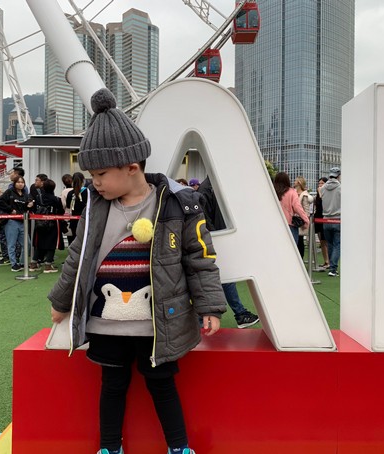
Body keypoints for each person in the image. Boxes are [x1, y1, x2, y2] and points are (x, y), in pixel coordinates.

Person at [48, 88, 226, 454]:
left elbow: (199, 258)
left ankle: (179, 447)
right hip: (106, 323)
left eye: (100, 173)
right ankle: (109, 447)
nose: (95, 182)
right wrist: (61, 300)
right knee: (112, 386)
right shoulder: (95, 208)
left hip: (157, 324)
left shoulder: (178, 204)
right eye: (91, 174)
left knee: (162, 385)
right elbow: (77, 257)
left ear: (132, 167)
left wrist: (210, 306)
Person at [197, 176, 260, 328]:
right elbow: (206, 218)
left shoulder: (211, 186)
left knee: (220, 278)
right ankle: (239, 314)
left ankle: (237, 314)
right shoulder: (210, 188)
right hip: (215, 238)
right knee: (223, 278)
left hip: (216, 237)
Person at [0, 175, 34, 272]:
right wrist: (10, 210)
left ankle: (22, 262)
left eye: (22, 182)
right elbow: (0, 202)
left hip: (23, 221)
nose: (20, 184)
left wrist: (29, 205)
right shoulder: (9, 192)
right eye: (18, 182)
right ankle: (14, 264)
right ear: (14, 183)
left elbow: (26, 207)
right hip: (11, 221)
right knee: (11, 244)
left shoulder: (25, 194)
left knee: (27, 244)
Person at [30, 179, 64, 273]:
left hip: (39, 222)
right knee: (51, 244)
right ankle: (48, 265)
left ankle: (33, 263)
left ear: (43, 187)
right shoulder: (56, 199)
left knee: (38, 243)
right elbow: (61, 211)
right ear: (53, 188)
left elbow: (34, 209)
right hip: (52, 223)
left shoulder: (38, 197)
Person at [273, 172, 309, 255]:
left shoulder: (272, 192)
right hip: (289, 224)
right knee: (292, 251)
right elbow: (297, 207)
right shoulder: (291, 192)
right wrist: (306, 220)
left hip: (274, 224)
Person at [319, 167, 341, 277]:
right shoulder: (341, 188)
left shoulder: (322, 188)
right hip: (337, 219)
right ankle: (333, 268)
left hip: (325, 219)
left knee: (330, 244)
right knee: (337, 244)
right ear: (338, 176)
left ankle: (331, 267)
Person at [294, 176, 313, 258]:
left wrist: (305, 221)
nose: (294, 182)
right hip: (294, 219)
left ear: (299, 183)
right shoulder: (294, 193)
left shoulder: (304, 195)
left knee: (300, 240)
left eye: (295, 181)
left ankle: (300, 258)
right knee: (296, 240)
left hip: (299, 221)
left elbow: (306, 210)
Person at [65, 172, 87, 245]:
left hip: (74, 221)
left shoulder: (70, 193)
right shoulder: (88, 192)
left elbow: (68, 206)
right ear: (83, 180)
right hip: (85, 220)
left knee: (74, 240)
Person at [313, 177, 330, 270]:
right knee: (322, 241)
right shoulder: (317, 196)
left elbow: (324, 205)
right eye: (319, 183)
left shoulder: (327, 194)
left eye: (322, 183)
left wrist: (320, 193)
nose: (320, 185)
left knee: (326, 241)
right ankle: (326, 261)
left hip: (325, 219)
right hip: (318, 219)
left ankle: (329, 262)